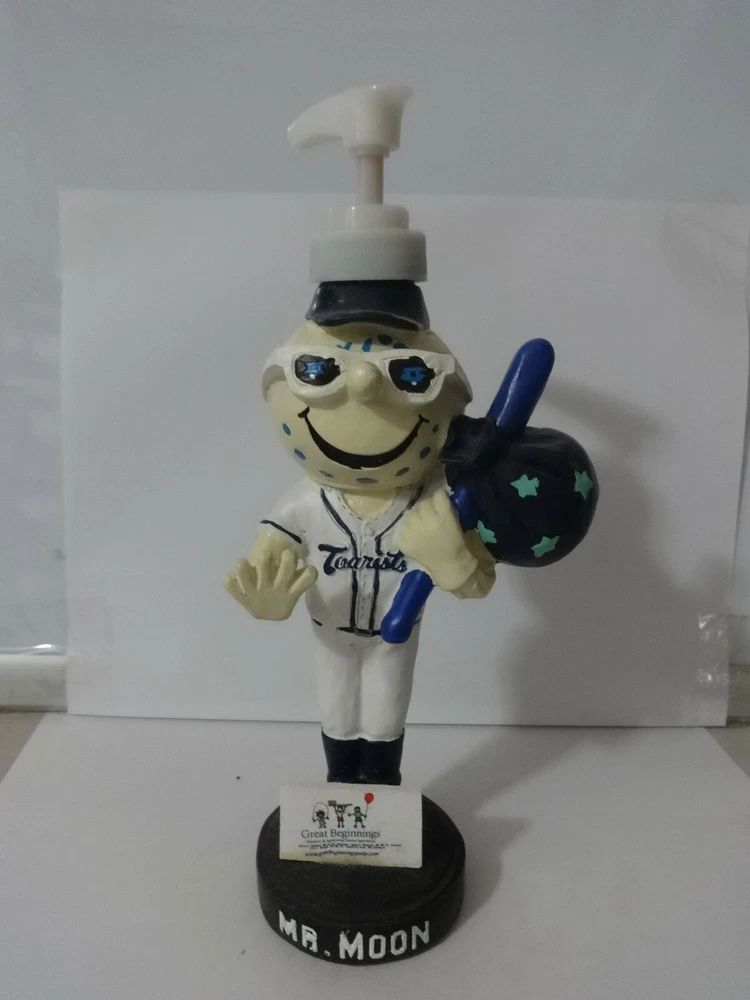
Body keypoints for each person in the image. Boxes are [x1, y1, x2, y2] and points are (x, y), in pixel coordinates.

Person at [224, 286, 495, 785]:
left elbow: (477, 584)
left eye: (409, 375)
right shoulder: (305, 503)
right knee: (338, 714)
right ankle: (341, 794)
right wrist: (267, 598)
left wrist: (454, 562)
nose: (365, 386)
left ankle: (381, 795)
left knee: (386, 717)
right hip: (329, 635)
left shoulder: (438, 501)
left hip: (395, 640)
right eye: (317, 371)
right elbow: (269, 559)